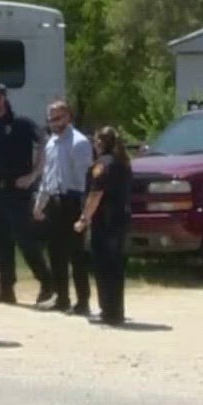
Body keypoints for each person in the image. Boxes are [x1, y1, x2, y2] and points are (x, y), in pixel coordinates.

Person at [0, 80, 51, 305]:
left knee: (26, 240)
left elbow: (45, 145)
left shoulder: (21, 124)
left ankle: (47, 283)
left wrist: (34, 174)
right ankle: (6, 288)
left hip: (19, 192)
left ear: (2, 99)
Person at [33, 99, 94, 315]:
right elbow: (47, 177)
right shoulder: (51, 143)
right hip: (54, 201)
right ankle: (61, 297)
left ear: (68, 117)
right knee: (55, 251)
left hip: (73, 200)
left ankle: (83, 301)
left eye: (58, 118)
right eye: (50, 119)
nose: (53, 123)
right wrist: (40, 204)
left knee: (76, 253)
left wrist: (85, 210)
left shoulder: (79, 143)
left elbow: (86, 179)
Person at [74, 125, 133, 326]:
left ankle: (108, 310)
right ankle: (117, 310)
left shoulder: (101, 165)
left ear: (100, 143)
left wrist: (84, 218)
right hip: (121, 220)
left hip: (105, 222)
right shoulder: (123, 163)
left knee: (104, 266)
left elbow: (95, 195)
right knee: (116, 267)